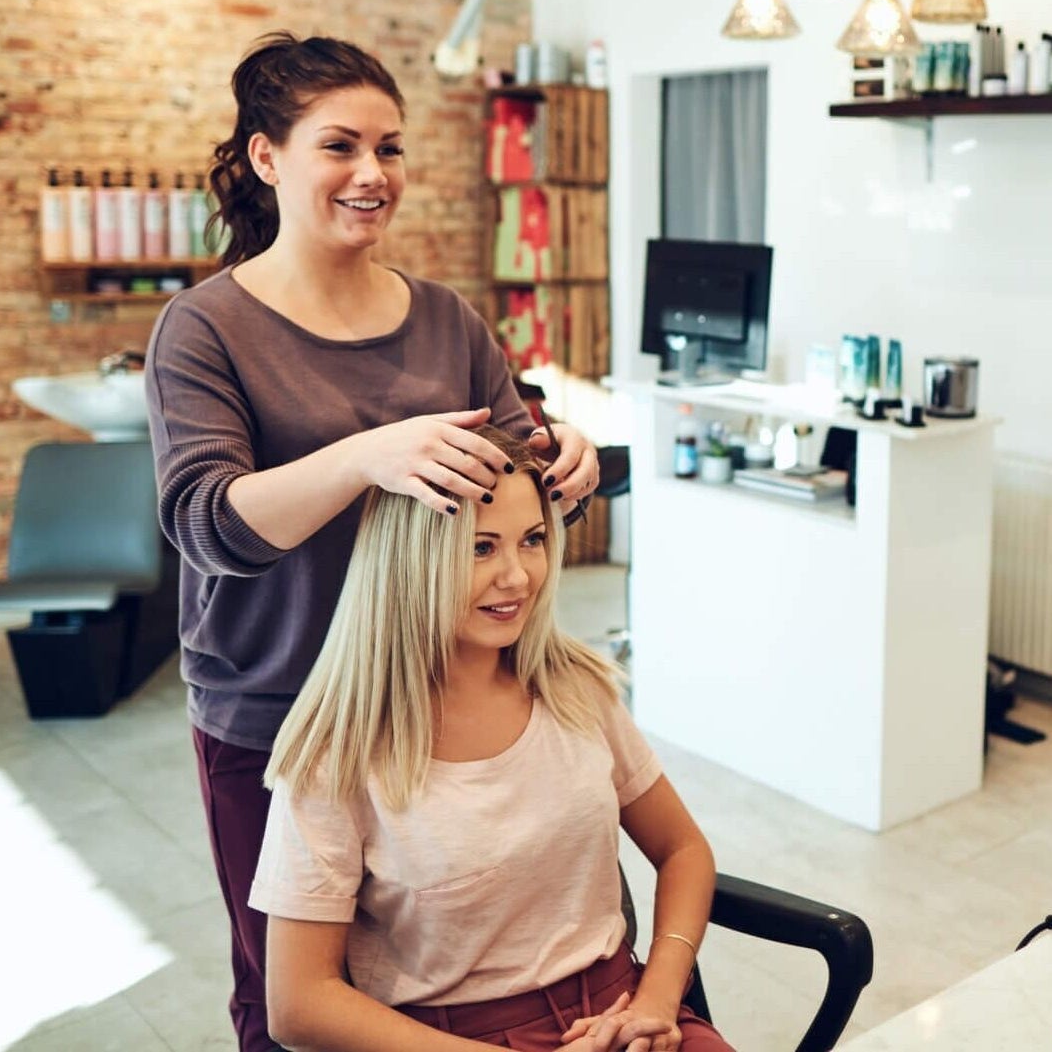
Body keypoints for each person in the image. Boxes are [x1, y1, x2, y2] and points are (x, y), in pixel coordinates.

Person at [146, 32, 600, 1052]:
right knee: (294, 995)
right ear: (267, 156)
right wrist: (365, 456)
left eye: (390, 149)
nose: (372, 174)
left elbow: (511, 474)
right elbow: (205, 522)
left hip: (439, 696)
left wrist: (566, 461)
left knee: (431, 977)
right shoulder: (205, 328)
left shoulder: (445, 319)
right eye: (340, 146)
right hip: (280, 713)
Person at [250, 427, 729, 1052]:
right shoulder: (336, 756)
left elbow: (683, 848)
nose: (518, 576)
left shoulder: (575, 688)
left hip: (621, 1016)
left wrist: (657, 1000)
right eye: (481, 548)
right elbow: (298, 1005)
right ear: (410, 561)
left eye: (533, 540)